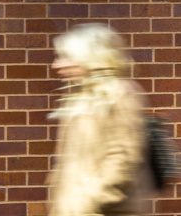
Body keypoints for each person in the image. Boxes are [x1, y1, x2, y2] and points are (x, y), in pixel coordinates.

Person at [48, 23, 150, 216]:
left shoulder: (119, 94)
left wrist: (91, 201)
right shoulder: (79, 97)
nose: (57, 65)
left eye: (66, 57)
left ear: (88, 57)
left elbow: (122, 159)